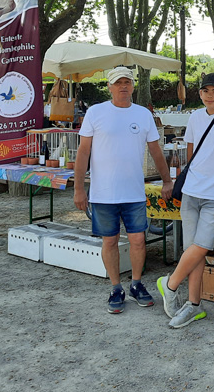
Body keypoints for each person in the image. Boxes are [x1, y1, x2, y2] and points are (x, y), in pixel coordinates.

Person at [73, 66, 173, 313]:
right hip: (103, 193)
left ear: (133, 85)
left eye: (127, 82)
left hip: (134, 192)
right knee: (110, 242)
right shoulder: (96, 113)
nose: (123, 86)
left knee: (139, 240)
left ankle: (136, 284)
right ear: (109, 86)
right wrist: (78, 189)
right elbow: (83, 152)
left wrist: (167, 180)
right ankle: (116, 287)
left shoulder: (143, 114)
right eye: (118, 83)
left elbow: (155, 150)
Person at [157, 73, 214, 329]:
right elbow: (191, 154)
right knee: (193, 252)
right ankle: (194, 305)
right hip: (192, 192)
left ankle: (170, 284)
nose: (210, 95)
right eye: (205, 91)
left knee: (202, 245)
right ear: (200, 94)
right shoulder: (195, 117)